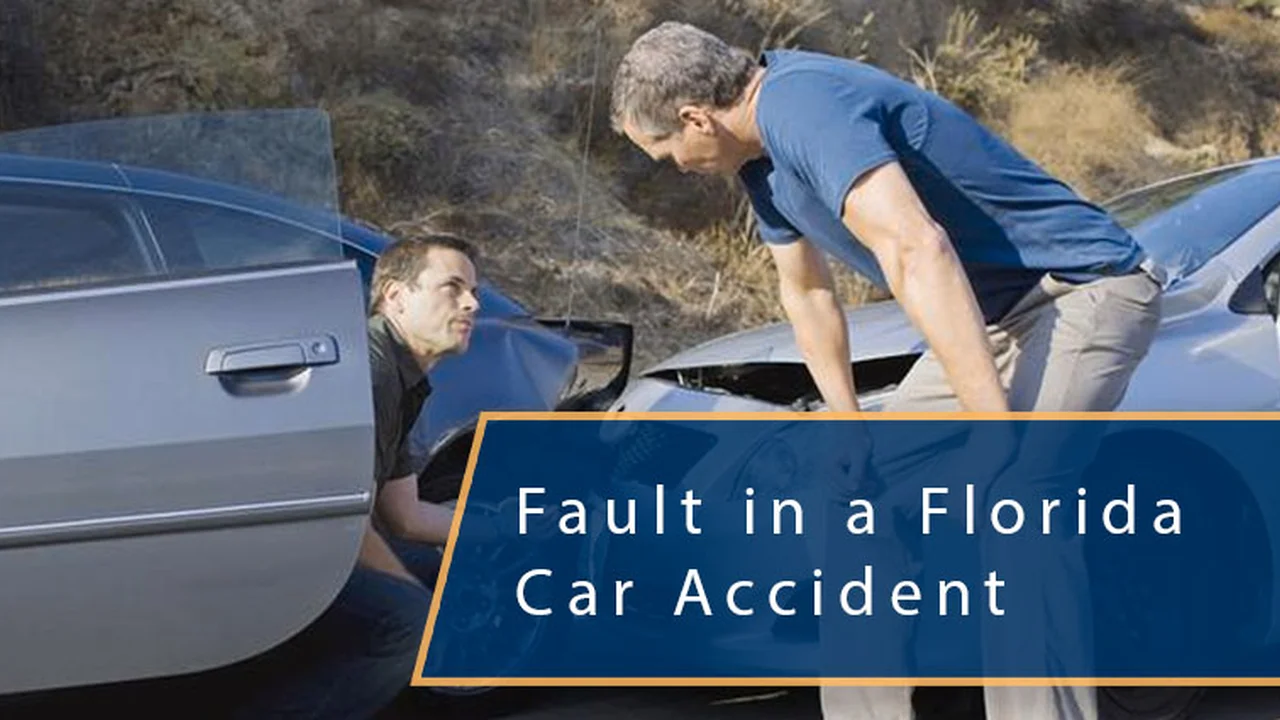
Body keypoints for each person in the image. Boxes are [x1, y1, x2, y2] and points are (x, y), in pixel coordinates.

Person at [609, 21, 1164, 720]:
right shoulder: (759, 161)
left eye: (663, 149)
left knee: (1017, 499)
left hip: (1082, 290)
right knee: (852, 502)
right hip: (991, 319)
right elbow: (806, 291)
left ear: (695, 118)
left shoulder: (800, 103)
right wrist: (847, 431)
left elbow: (917, 249)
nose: (672, 164)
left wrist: (993, 429)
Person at [221, 230, 486, 719]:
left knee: (450, 570)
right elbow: (350, 528)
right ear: (396, 297)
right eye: (452, 287)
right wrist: (411, 593)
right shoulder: (371, 372)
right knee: (414, 626)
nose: (471, 303)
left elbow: (404, 515)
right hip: (275, 547)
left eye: (474, 292)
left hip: (322, 539)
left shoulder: (403, 376)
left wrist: (509, 530)